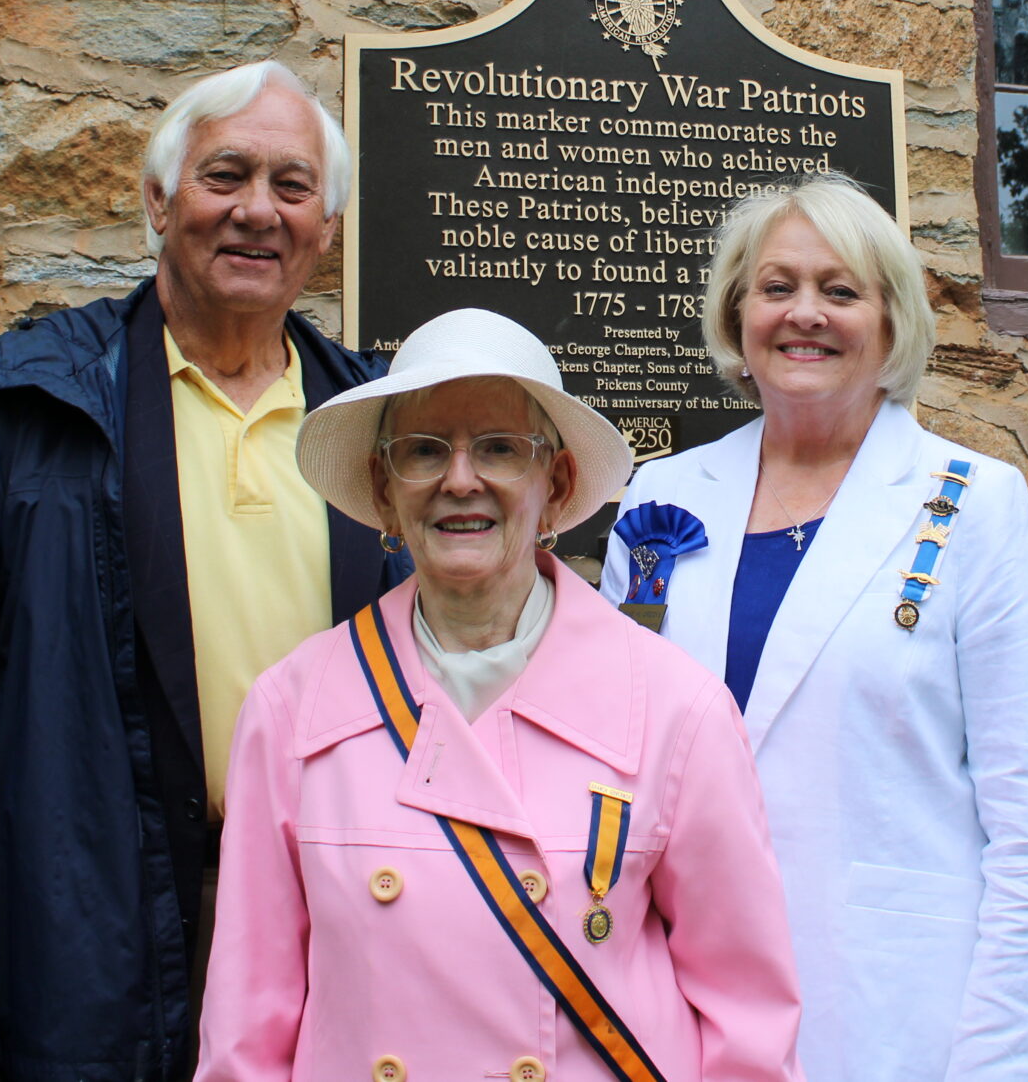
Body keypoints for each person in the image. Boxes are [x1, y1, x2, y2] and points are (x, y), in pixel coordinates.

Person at [0, 59, 404, 1082]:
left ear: (326, 230)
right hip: (92, 940)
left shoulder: (381, 429)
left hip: (342, 930)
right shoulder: (17, 410)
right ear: (157, 200)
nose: (257, 211)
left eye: (292, 188)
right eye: (224, 174)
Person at [197, 308, 805, 1082]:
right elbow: (245, 1038)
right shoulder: (290, 711)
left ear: (554, 486)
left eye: (498, 448)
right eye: (423, 450)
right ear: (385, 492)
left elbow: (747, 1024)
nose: (460, 479)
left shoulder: (678, 710)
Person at [601, 173, 1028, 1082]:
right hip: (676, 1000)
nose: (804, 313)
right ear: (737, 314)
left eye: (841, 290)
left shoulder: (978, 506)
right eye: (777, 287)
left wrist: (1001, 1067)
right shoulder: (662, 496)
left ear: (891, 323)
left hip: (887, 1014)